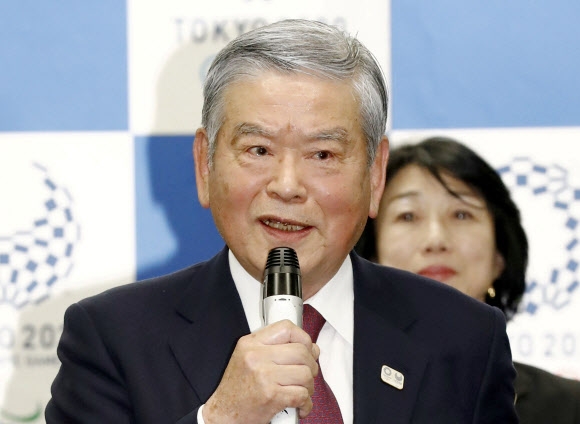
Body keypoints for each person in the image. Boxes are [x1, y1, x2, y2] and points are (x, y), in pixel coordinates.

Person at [45, 20, 518, 423]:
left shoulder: (464, 338)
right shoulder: (112, 339)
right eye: (258, 150)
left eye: (323, 154)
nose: (287, 185)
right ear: (205, 165)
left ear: (375, 175)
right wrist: (222, 418)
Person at [356, 136, 580, 423]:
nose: (435, 239)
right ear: (372, 253)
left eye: (461, 214)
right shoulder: (328, 392)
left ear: (499, 257)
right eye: (408, 216)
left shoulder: (569, 407)